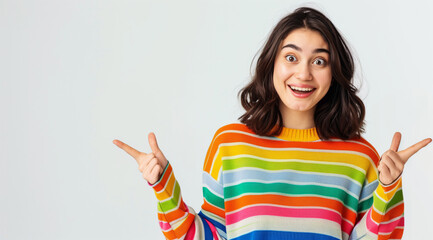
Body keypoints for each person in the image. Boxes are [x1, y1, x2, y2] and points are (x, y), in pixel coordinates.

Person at [113, 6, 432, 240]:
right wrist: (163, 186)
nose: (304, 74)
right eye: (291, 57)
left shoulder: (359, 155)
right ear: (272, 64)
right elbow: (206, 236)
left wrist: (389, 188)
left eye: (319, 61)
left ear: (333, 72)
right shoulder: (230, 144)